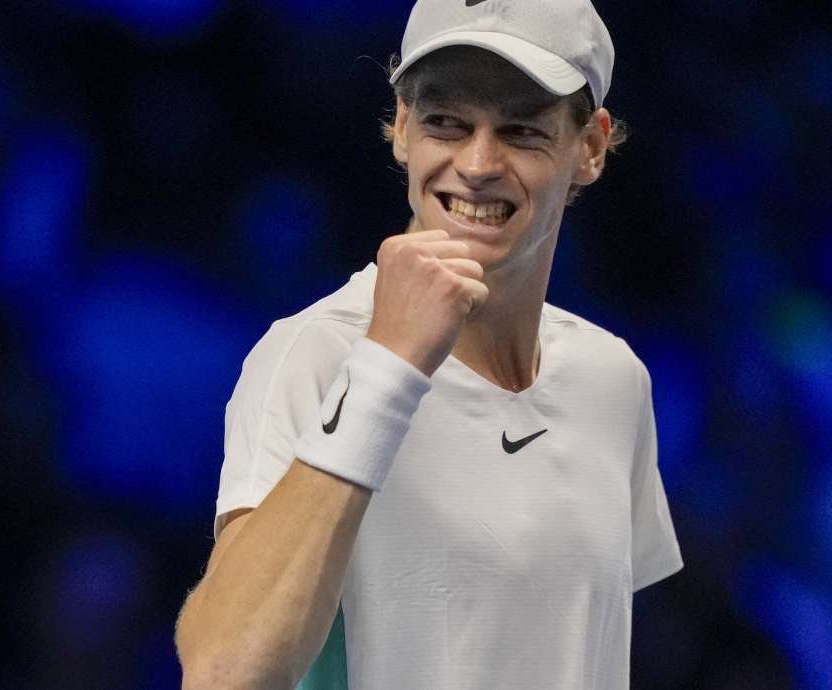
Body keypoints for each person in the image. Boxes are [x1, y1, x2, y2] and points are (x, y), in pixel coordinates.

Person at [175, 0, 683, 687]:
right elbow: (222, 673)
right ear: (403, 127)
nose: (477, 163)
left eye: (521, 129)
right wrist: (387, 367)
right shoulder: (314, 355)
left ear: (590, 147)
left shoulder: (612, 378)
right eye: (447, 121)